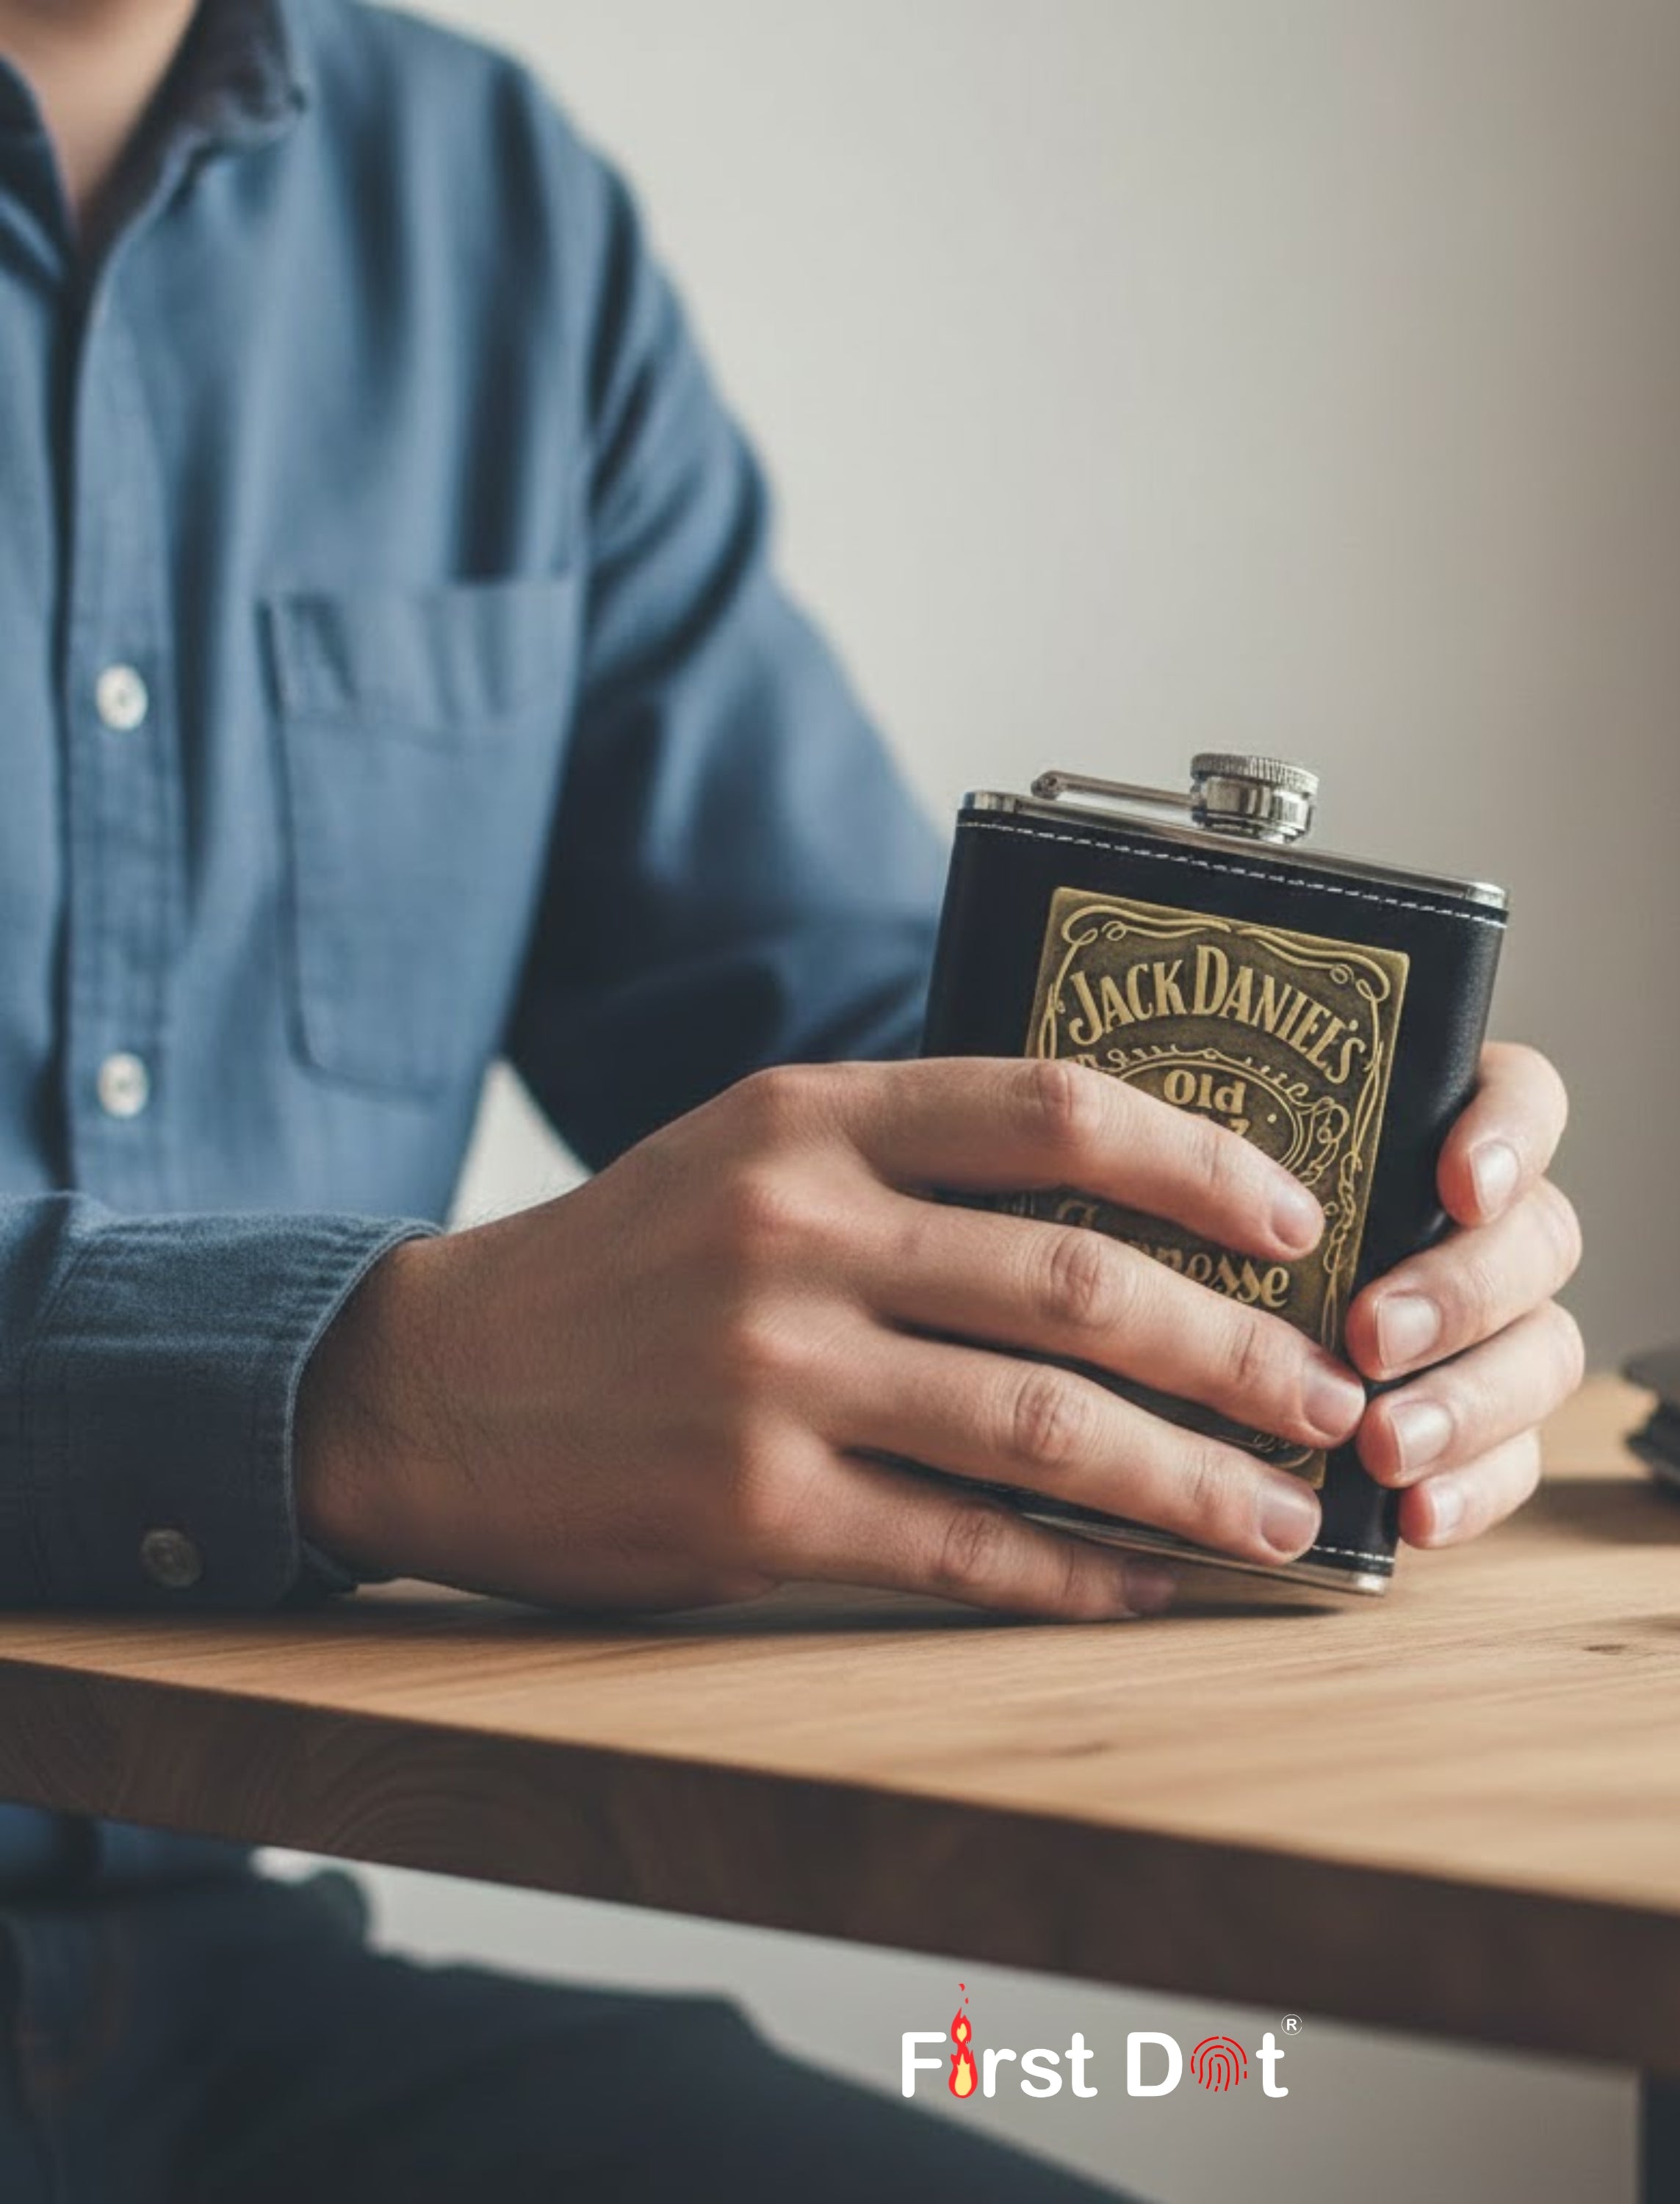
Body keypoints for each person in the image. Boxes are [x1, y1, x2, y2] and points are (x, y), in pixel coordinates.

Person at [0, 1, 1585, 2197]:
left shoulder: (490, 212)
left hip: (204, 1999)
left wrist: (1337, 1246)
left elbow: (855, 1057)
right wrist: (360, 1392)